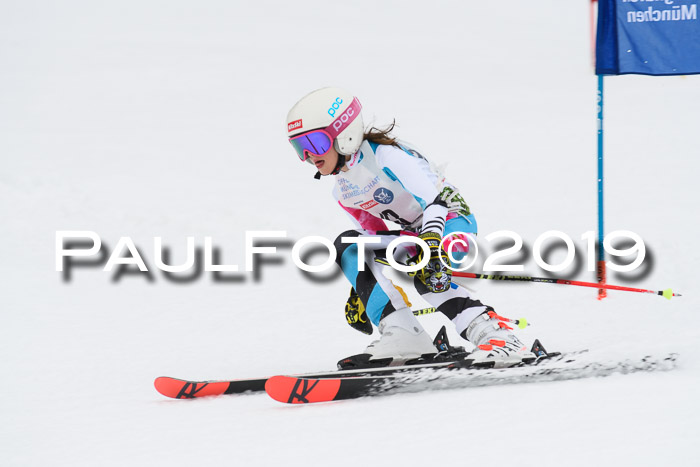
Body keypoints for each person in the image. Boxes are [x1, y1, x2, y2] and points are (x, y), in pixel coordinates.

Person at [286, 87, 534, 368]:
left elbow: (435, 202)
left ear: (345, 135)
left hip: (451, 222)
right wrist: (366, 290)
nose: (309, 155)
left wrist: (431, 244)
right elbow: (372, 237)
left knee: (428, 274)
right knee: (348, 246)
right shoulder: (342, 191)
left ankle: (497, 337)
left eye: (315, 143)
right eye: (299, 147)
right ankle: (404, 334)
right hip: (416, 236)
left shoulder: (386, 156)